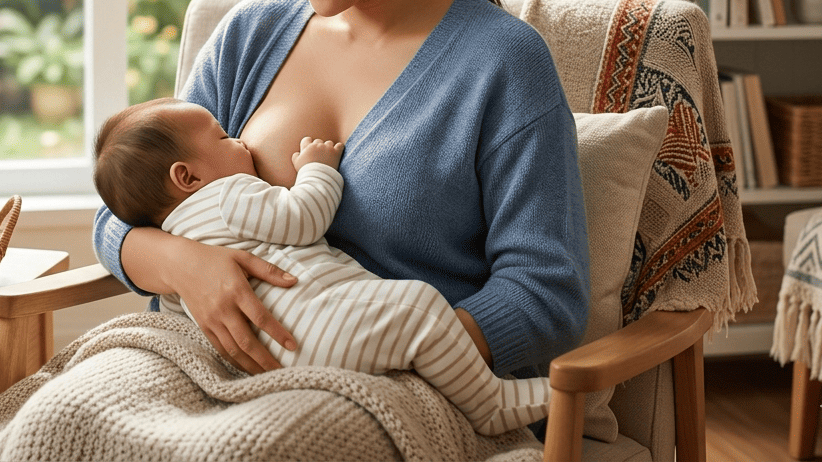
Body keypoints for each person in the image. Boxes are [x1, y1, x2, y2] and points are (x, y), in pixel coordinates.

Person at [93, 0, 589, 402]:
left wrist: (394, 358)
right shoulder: (249, 39)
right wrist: (185, 264)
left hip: (401, 395)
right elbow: (123, 210)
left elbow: (546, 291)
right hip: (204, 377)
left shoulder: (500, 62)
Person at [93, 96, 552, 434]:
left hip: (271, 361)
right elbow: (301, 219)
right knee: (421, 308)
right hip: (329, 328)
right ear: (187, 177)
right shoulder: (229, 194)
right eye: (223, 136)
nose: (239, 141)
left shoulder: (174, 225)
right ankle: (486, 401)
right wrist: (318, 169)